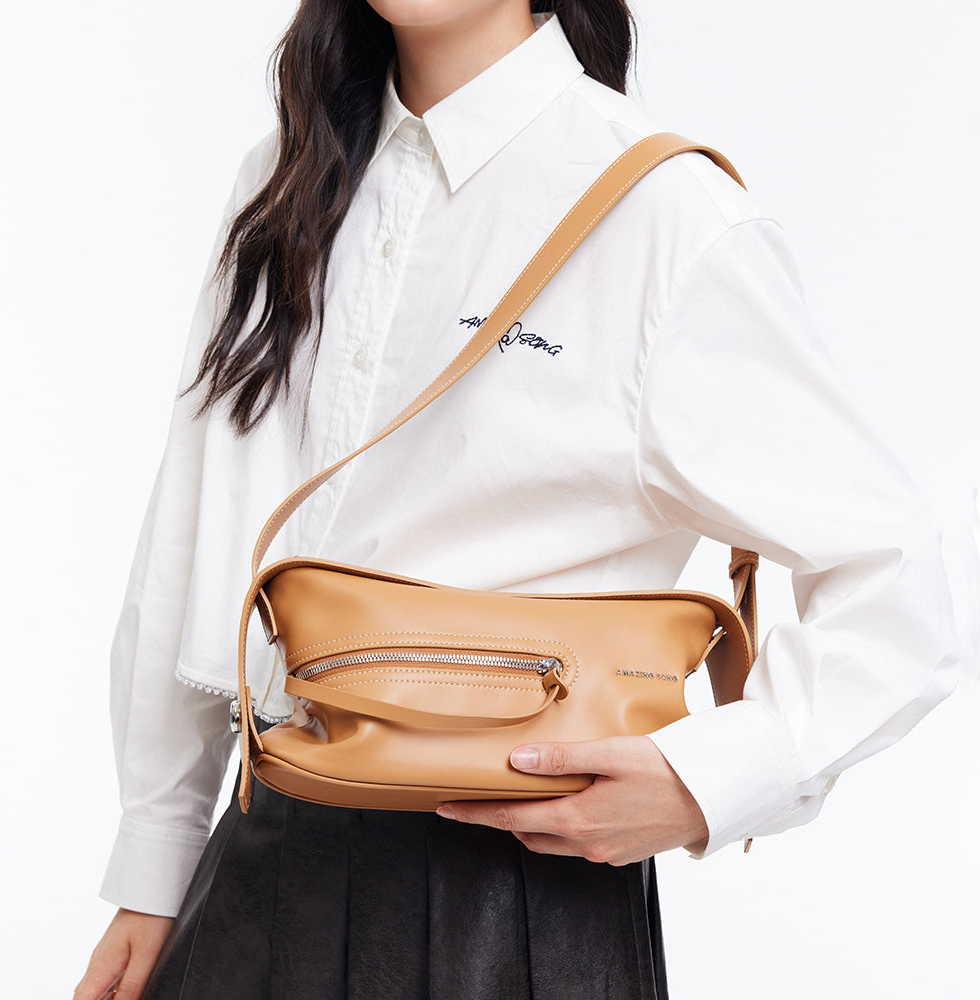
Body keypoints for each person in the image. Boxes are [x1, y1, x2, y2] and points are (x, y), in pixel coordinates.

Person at [74, 2, 959, 998]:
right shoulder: (285, 176)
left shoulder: (663, 212)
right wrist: (153, 863)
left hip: (523, 886)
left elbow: (893, 577)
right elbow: (190, 526)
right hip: (265, 847)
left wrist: (706, 781)